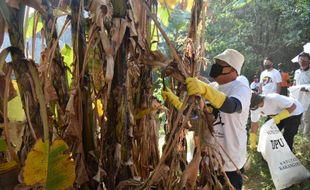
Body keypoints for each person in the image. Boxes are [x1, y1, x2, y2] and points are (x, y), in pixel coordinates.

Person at [163, 49, 251, 190]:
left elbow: (232, 105)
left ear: (232, 69)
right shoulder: (213, 87)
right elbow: (196, 114)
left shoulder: (240, 87)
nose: (215, 67)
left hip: (231, 160)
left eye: (220, 64)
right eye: (216, 63)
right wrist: (176, 102)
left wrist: (204, 90)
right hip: (209, 159)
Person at [293, 52, 310, 139]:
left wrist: (306, 89)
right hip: (298, 97)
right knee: (298, 116)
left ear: (309, 61)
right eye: (300, 59)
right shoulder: (297, 72)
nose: (302, 61)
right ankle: (299, 134)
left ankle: (306, 136)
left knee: (306, 118)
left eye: (304, 59)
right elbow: (295, 83)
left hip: (308, 98)